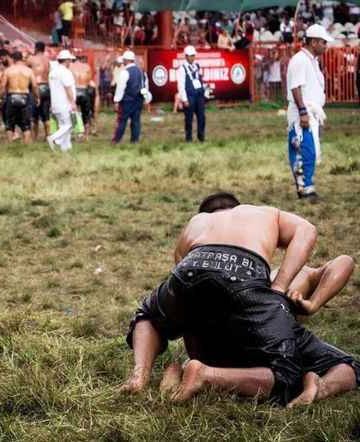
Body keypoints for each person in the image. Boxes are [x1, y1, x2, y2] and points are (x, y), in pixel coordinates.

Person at [122, 192, 359, 407]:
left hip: (193, 268)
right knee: (289, 374)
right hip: (247, 281)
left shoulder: (197, 223)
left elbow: (188, 308)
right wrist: (281, 287)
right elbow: (309, 231)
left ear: (207, 214)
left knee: (148, 315)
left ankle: (139, 375)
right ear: (240, 207)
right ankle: (206, 375)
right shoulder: (265, 213)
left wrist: (196, 354)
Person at [287, 24, 331, 201]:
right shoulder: (300, 60)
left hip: (312, 112)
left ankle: (307, 185)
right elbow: (296, 87)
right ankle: (305, 188)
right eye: (323, 42)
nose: (325, 46)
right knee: (304, 150)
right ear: (313, 42)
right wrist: (303, 112)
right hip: (301, 112)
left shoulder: (312, 60)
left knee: (311, 151)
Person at [0, 51, 38, 144]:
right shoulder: (28, 70)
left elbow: (2, 86)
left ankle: (10, 144)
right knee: (26, 124)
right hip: (25, 95)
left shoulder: (8, 70)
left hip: (11, 96)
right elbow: (35, 85)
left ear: (13, 59)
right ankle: (26, 144)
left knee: (10, 124)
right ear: (21, 58)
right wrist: (37, 97)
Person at [46, 50, 76, 152]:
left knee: (63, 126)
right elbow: (68, 88)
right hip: (65, 103)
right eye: (70, 60)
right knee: (70, 125)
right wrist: (73, 102)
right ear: (67, 61)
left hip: (55, 103)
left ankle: (66, 148)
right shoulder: (65, 72)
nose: (71, 63)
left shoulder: (53, 72)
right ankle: (54, 139)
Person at [112, 50, 144, 144]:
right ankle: (134, 140)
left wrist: (116, 101)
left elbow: (120, 88)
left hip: (127, 100)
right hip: (138, 99)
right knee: (136, 121)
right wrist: (145, 98)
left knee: (122, 121)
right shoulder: (140, 71)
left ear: (126, 60)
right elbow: (143, 86)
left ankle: (116, 140)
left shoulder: (125, 72)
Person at [177, 45, 206, 143]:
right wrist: (184, 99)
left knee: (202, 117)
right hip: (189, 95)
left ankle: (201, 137)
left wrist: (204, 90)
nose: (192, 57)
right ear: (185, 56)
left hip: (199, 95)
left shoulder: (197, 65)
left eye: (193, 55)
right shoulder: (182, 68)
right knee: (189, 119)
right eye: (190, 56)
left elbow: (200, 79)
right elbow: (181, 86)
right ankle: (188, 138)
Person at [28, 41, 51, 141]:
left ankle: (34, 137)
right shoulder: (47, 60)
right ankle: (48, 136)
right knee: (46, 114)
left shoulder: (31, 59)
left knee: (34, 115)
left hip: (35, 86)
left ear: (36, 48)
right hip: (46, 86)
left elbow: (23, 68)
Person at [70, 54, 96, 140]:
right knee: (86, 114)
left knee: (74, 113)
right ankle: (86, 135)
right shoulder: (87, 66)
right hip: (84, 90)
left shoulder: (70, 66)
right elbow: (89, 80)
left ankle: (76, 133)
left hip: (75, 90)